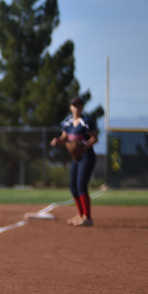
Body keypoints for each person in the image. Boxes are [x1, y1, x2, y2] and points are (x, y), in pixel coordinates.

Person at [50, 97, 98, 227]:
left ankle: (88, 218)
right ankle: (81, 215)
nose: (77, 108)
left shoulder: (86, 122)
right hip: (76, 158)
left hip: (87, 156)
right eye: (74, 105)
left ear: (82, 107)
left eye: (79, 105)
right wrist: (57, 140)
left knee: (81, 185)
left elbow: (94, 138)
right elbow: (64, 137)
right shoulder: (68, 123)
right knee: (73, 187)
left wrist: (84, 147)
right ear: (71, 108)